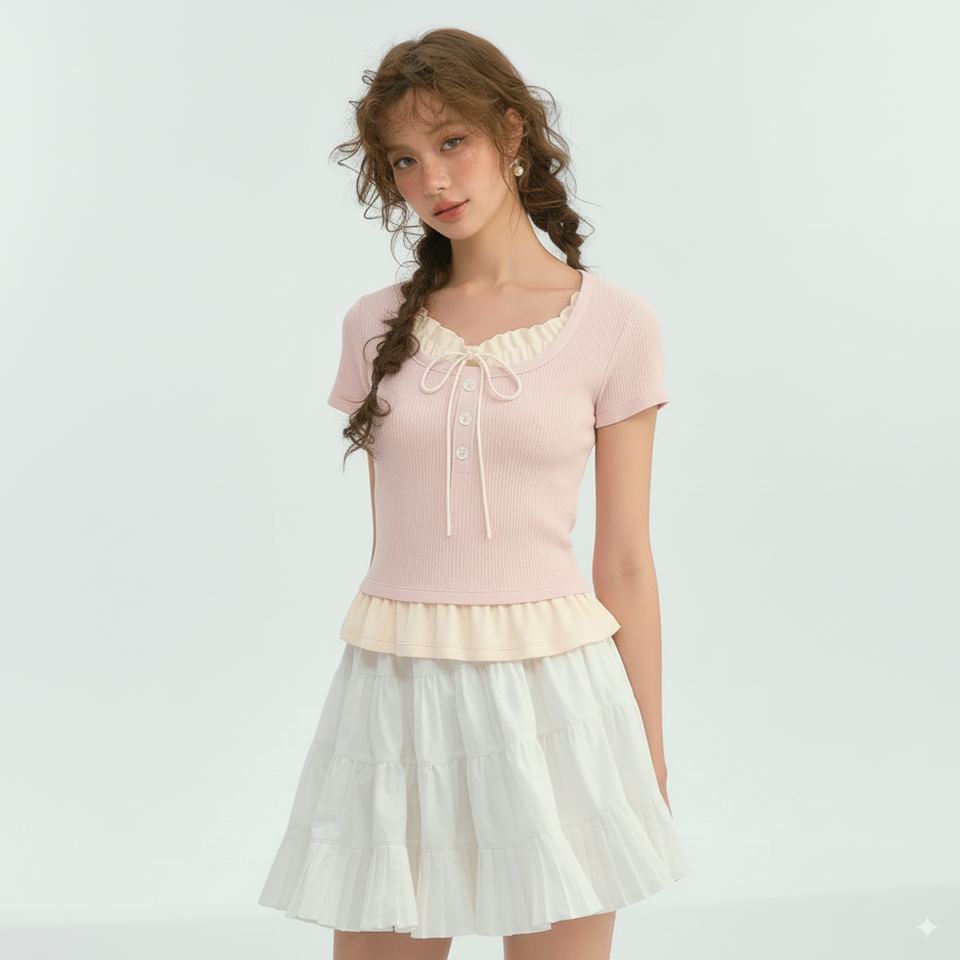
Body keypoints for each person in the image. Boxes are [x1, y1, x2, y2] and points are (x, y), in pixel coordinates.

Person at [258, 27, 692, 960]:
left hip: (557, 700)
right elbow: (394, 539)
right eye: (405, 161)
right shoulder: (373, 324)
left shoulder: (617, 326)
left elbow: (625, 560)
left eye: (452, 141)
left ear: (512, 129)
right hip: (395, 693)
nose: (433, 180)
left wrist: (648, 749)